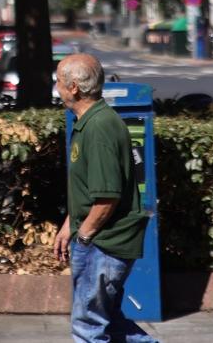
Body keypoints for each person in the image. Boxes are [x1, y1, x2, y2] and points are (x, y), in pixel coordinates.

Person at [51, 53, 157, 343]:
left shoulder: (98, 129)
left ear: (74, 87)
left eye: (59, 81)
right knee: (112, 324)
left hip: (103, 244)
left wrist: (83, 237)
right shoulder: (91, 122)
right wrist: (68, 226)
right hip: (102, 241)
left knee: (87, 327)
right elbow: (90, 189)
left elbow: (107, 198)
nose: (57, 87)